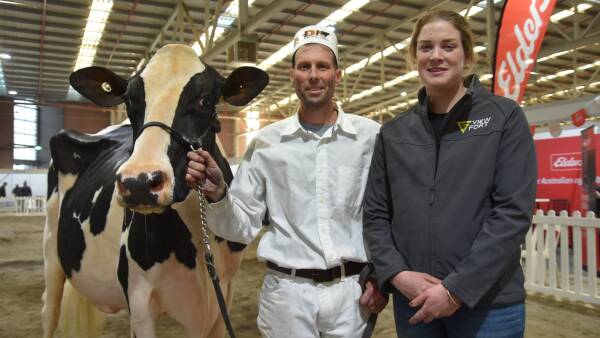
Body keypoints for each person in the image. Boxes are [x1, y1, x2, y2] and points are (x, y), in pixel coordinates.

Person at [187, 25, 387, 337]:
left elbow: (387, 214)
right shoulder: (267, 143)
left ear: (338, 74)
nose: (313, 75)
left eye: (323, 66)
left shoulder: (371, 137)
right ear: (292, 74)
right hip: (287, 295)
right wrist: (218, 195)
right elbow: (240, 227)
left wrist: (383, 275)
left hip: (352, 296)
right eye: (304, 66)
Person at [362, 9, 537, 338]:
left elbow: (513, 212)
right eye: (426, 47)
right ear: (415, 56)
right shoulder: (394, 133)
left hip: (488, 304)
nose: (436, 56)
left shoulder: (504, 118)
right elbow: (375, 214)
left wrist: (457, 289)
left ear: (467, 57)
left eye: (448, 46)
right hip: (414, 299)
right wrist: (397, 275)